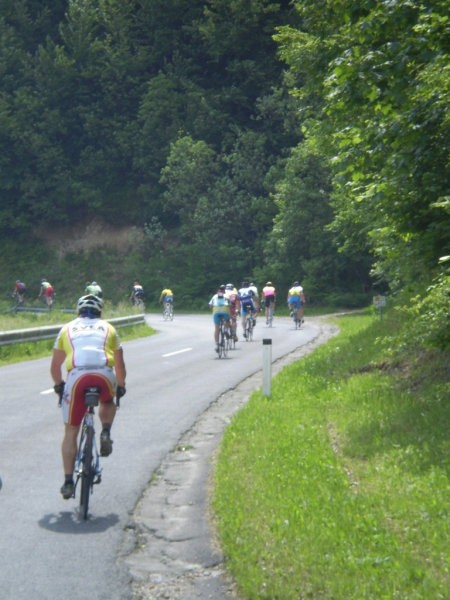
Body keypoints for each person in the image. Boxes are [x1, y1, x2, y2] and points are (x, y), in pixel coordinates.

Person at [50, 294, 126, 500]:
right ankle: (106, 432)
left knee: (71, 431)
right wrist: (121, 386)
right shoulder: (109, 328)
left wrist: (58, 386)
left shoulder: (67, 328)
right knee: (109, 401)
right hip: (103, 373)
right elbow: (119, 365)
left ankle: (67, 482)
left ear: (78, 311)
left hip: (77, 377)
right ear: (100, 311)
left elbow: (55, 366)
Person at [209, 285, 232, 353]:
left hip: (216, 312)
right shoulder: (227, 296)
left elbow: (210, 305)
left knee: (216, 329)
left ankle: (217, 345)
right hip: (225, 311)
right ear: (224, 291)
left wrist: (213, 310)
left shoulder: (214, 296)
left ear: (217, 291)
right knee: (227, 321)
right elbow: (230, 305)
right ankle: (225, 330)